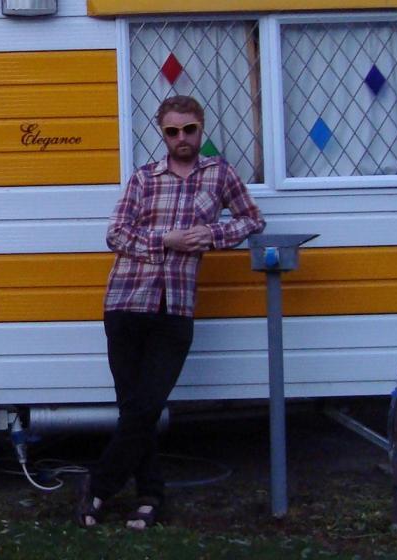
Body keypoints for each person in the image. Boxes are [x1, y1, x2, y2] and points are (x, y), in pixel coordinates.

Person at [76, 95, 265, 530]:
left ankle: (98, 486)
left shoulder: (220, 174)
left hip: (176, 307)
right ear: (162, 133)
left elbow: (252, 220)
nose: (182, 138)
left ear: (201, 129)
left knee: (148, 405)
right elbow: (116, 235)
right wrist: (167, 241)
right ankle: (149, 497)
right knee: (135, 409)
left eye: (189, 129)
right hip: (126, 303)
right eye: (173, 131)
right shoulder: (144, 178)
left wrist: (213, 235)